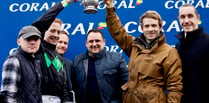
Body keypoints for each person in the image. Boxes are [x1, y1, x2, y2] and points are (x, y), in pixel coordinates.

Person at [104, 0, 183, 102]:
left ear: (160, 27)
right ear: (141, 28)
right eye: (147, 26)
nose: (150, 29)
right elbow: (117, 31)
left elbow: (175, 86)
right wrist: (110, 7)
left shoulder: (169, 52)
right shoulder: (134, 46)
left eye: (154, 25)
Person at [31, 0, 74, 102]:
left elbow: (63, 87)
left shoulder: (58, 58)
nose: (55, 35)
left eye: (58, 32)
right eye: (52, 31)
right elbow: (41, 23)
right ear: (44, 31)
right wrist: (64, 3)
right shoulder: (38, 48)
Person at [71, 29, 129, 103]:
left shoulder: (117, 58)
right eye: (91, 41)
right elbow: (73, 87)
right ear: (86, 44)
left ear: (104, 42)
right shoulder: (77, 61)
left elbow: (127, 85)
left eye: (97, 41)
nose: (94, 44)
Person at [175, 4, 209, 103]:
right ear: (179, 19)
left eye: (190, 16)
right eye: (182, 17)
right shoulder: (179, 46)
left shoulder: (207, 42)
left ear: (197, 18)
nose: (186, 21)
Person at [0, 26, 42, 103]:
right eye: (28, 39)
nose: (32, 42)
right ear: (19, 41)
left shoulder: (36, 62)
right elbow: (7, 97)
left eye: (36, 39)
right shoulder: (13, 60)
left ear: (40, 42)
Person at [56, 30, 74, 101]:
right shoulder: (44, 61)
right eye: (60, 42)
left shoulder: (69, 64)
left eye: (65, 43)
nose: (63, 45)